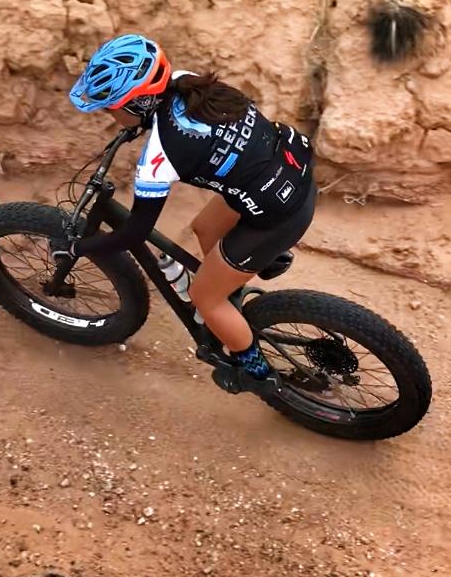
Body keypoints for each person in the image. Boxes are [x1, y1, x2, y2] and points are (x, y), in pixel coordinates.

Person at [52, 33, 318, 389]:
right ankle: (244, 278)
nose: (109, 114)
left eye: (111, 107)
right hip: (290, 172)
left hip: (275, 213)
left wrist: (78, 249)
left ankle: (257, 374)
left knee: (204, 298)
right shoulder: (187, 83)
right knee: (206, 227)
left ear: (137, 105)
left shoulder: (161, 158)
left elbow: (135, 234)